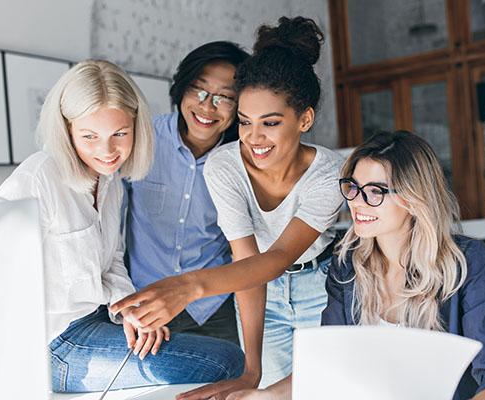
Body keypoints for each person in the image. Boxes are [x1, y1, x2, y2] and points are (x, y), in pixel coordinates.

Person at [111, 16, 344, 399]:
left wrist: (189, 287)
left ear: (305, 119)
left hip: (317, 285)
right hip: (250, 289)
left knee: (326, 387)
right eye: (246, 122)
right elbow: (248, 262)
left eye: (270, 122)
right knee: (267, 392)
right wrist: (252, 371)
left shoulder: (329, 173)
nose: (255, 137)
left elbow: (280, 256)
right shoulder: (224, 165)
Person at [0, 60, 244, 392]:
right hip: (52, 344)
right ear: (67, 130)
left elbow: (112, 260)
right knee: (225, 362)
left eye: (120, 134)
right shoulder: (38, 178)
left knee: (222, 361)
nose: (107, 150)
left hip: (95, 322)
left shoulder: (110, 181)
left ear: (136, 128)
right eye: (89, 136)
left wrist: (131, 311)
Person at [227, 130, 485, 400]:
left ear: (413, 198)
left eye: (375, 192)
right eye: (353, 187)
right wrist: (268, 394)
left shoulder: (470, 264)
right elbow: (328, 363)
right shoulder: (347, 267)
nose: (356, 202)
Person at [124, 41, 248, 347]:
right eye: (199, 90)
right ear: (181, 89)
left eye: (225, 98)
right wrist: (124, 301)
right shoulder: (141, 141)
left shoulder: (243, 161)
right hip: (142, 305)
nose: (207, 107)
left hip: (212, 308)